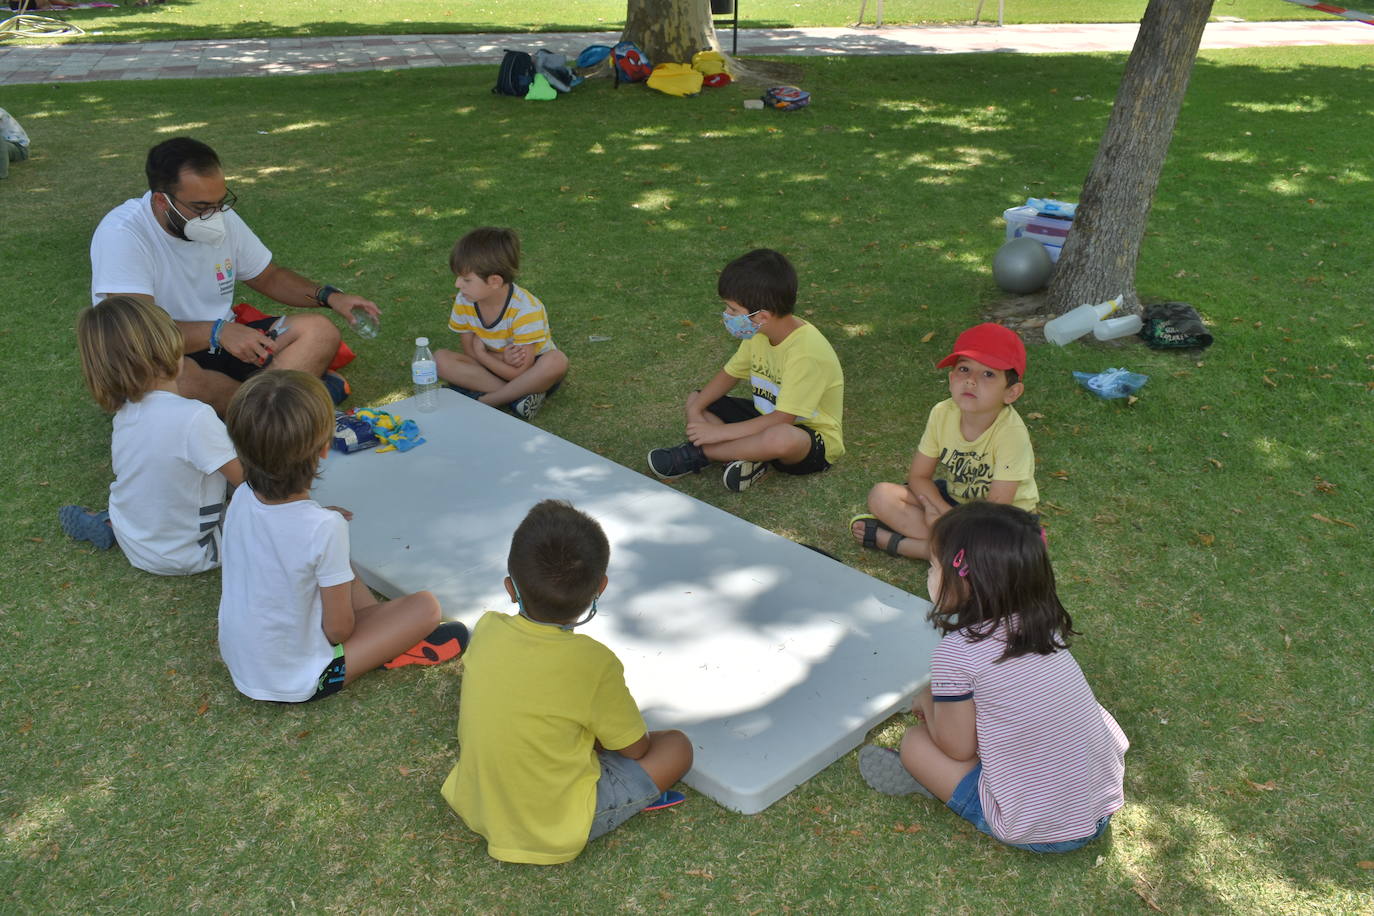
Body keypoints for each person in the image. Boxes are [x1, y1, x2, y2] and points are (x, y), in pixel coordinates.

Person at [858, 501, 1128, 853]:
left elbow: (958, 747)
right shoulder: (1043, 627)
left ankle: (934, 783)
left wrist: (927, 700)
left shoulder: (957, 654)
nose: (928, 574)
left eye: (933, 566)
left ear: (965, 582)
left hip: (1045, 830)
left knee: (914, 744)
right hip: (1100, 800)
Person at [441, 499, 693, 865]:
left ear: (510, 588)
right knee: (676, 746)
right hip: (552, 826)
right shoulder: (593, 662)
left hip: (476, 800)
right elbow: (635, 750)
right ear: (601, 587)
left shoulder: (488, 628)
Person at [217, 370, 467, 703]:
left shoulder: (243, 496)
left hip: (245, 663)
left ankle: (383, 635)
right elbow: (338, 631)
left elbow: (280, 539)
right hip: (301, 678)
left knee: (337, 565)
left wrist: (323, 520)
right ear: (324, 449)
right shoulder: (323, 527)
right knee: (426, 608)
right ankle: (387, 647)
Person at [90, 137, 378, 415]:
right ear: (162, 202)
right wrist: (217, 332)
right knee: (181, 379)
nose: (216, 214)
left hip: (225, 341)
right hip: (164, 352)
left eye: (221, 201)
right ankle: (279, 406)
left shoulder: (221, 216)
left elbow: (268, 276)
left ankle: (263, 407)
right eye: (202, 207)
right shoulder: (123, 234)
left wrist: (330, 296)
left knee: (320, 332)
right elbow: (136, 332)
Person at [58, 295, 245, 575]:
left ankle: (109, 523)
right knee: (252, 503)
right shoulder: (195, 417)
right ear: (170, 348)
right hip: (195, 552)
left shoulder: (125, 415)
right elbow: (249, 483)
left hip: (134, 540)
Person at [647, 248, 844, 492]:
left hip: (807, 439)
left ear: (761, 316)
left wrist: (714, 434)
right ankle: (748, 458)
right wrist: (697, 410)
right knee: (698, 398)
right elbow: (730, 374)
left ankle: (700, 454)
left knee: (780, 437)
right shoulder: (760, 333)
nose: (727, 315)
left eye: (732, 310)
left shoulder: (806, 353)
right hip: (766, 417)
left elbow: (784, 419)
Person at [851, 322, 1037, 559]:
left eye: (988, 374)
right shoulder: (942, 412)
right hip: (954, 502)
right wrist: (940, 512)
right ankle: (956, 551)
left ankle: (901, 545)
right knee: (881, 495)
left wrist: (944, 520)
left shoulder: (1012, 433)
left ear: (1011, 392)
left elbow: (994, 511)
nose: (971, 380)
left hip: (1002, 520)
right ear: (951, 379)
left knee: (990, 549)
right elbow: (918, 476)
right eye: (964, 369)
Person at [433, 227, 568, 421]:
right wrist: (497, 357)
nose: (457, 285)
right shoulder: (465, 300)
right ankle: (519, 397)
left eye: (466, 280)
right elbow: (469, 352)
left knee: (556, 361)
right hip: (493, 369)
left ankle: (488, 401)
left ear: (494, 281)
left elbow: (518, 372)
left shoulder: (526, 309)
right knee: (439, 359)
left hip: (532, 372)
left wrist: (484, 354)